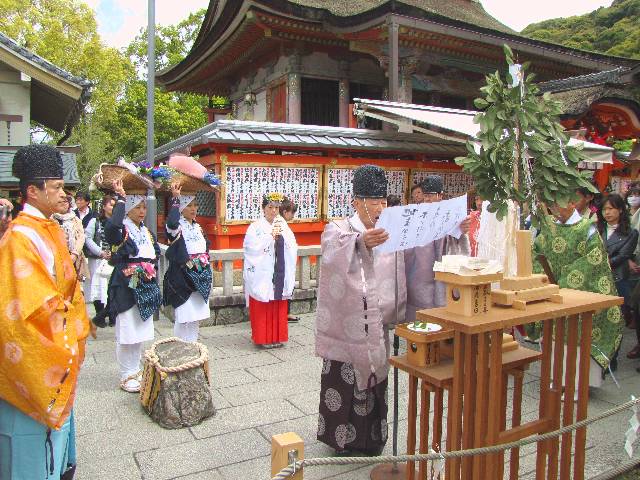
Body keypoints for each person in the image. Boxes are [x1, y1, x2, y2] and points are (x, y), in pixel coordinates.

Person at [0, 144, 90, 479]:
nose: (63, 193)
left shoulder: (46, 228)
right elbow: (25, 307)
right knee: (31, 442)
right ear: (33, 191)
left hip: (60, 337)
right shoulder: (21, 238)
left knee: (54, 439)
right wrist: (68, 327)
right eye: (56, 187)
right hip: (37, 354)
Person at [315, 164, 407, 456]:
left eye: (383, 202)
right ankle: (339, 440)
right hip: (348, 325)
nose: (380, 208)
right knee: (345, 379)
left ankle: (371, 440)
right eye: (374, 202)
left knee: (376, 378)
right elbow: (331, 249)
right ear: (357, 202)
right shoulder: (340, 229)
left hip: (376, 321)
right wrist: (359, 243)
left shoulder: (388, 230)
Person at [528, 196, 623, 388]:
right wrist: (544, 280)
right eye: (552, 205)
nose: (554, 209)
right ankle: (557, 379)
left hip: (580, 294)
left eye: (558, 204)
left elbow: (594, 261)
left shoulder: (586, 229)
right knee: (554, 339)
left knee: (578, 340)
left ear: (572, 204)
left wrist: (564, 280)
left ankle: (579, 386)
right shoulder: (549, 228)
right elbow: (536, 253)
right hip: (552, 294)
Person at [105, 179, 162, 393]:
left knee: (139, 330)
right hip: (126, 285)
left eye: (143, 206)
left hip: (144, 284)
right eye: (137, 206)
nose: (141, 211)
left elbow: (154, 253)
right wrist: (120, 199)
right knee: (127, 329)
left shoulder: (145, 231)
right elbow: (111, 229)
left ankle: (136, 369)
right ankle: (126, 373)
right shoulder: (123, 230)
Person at [404, 175, 471, 322]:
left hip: (442, 267)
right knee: (418, 312)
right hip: (420, 270)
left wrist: (461, 230)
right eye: (425, 195)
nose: (427, 199)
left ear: (440, 195)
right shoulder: (416, 214)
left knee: (442, 308)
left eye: (431, 196)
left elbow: (460, 239)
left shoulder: (451, 213)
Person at [243, 192, 298, 348]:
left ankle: (277, 337)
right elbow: (251, 248)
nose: (273, 211)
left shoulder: (283, 225)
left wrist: (283, 238)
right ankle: (263, 338)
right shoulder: (255, 227)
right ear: (263, 208)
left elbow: (292, 246)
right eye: (270, 207)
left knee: (278, 303)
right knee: (263, 304)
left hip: (279, 269)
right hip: (263, 272)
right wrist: (269, 238)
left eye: (276, 207)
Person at [163, 183, 212, 342]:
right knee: (184, 315)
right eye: (189, 205)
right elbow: (171, 223)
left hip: (199, 275)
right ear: (181, 208)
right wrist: (176, 199)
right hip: (183, 277)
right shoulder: (177, 228)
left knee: (195, 316)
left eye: (195, 205)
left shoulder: (198, 227)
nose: (193, 208)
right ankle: (180, 347)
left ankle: (192, 346)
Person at [597, 194, 638, 339]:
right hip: (596, 276)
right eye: (604, 209)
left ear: (620, 210)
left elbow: (622, 256)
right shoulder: (596, 228)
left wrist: (598, 261)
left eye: (611, 208)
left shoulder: (631, 233)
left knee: (615, 320)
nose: (607, 212)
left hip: (617, 278)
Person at [89, 195, 116, 328]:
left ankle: (111, 315)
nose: (113, 207)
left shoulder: (118, 221)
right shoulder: (96, 221)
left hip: (114, 259)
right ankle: (100, 314)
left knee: (113, 288)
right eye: (110, 204)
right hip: (100, 259)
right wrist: (100, 252)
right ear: (104, 206)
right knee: (99, 288)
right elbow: (87, 238)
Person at [52, 194, 89, 281]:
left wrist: (74, 254)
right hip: (56, 258)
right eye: (60, 202)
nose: (63, 204)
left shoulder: (75, 219)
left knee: (73, 284)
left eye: (65, 202)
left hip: (74, 257)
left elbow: (81, 237)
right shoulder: (51, 219)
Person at [279, 197, 300, 323]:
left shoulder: (283, 224)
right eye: (292, 212)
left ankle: (286, 312)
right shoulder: (280, 224)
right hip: (284, 262)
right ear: (285, 212)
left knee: (287, 286)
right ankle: (284, 313)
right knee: (284, 286)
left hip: (288, 261)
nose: (293, 215)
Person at [468, 189, 483, 257]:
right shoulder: (470, 217)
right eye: (477, 199)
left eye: (482, 199)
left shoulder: (493, 219)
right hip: (471, 259)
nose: (479, 203)